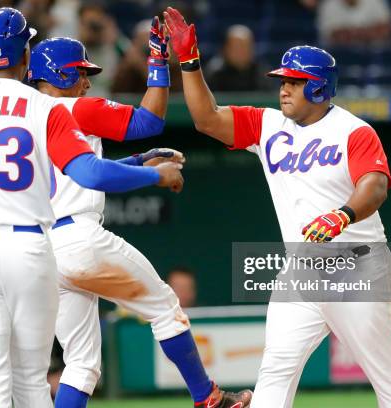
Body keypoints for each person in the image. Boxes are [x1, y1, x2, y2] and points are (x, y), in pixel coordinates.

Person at [0, 7, 183, 408]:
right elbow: (89, 173)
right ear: (25, 55)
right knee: (31, 383)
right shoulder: (45, 107)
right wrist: (154, 176)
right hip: (28, 249)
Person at [163, 7, 391, 408]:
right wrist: (190, 62)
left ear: (318, 88)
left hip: (357, 267)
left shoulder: (353, 130)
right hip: (300, 269)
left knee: (386, 377)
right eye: (282, 81)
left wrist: (343, 214)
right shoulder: (269, 126)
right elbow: (206, 119)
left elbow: (375, 184)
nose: (283, 88)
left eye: (294, 82)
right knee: (276, 369)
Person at [27, 18, 252, 408]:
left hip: (41, 250)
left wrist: (137, 161)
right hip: (79, 238)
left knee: (81, 364)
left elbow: (75, 172)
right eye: (80, 72)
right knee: (165, 307)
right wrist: (157, 58)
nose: (86, 81)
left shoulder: (19, 118)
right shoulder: (74, 107)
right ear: (59, 74)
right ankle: (208, 399)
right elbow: (149, 120)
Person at [206, 25, 269, 92]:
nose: (242, 52)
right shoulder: (215, 74)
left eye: (246, 47)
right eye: (237, 47)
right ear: (225, 49)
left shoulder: (261, 73)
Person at [304, 0, 391, 46]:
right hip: (338, 59)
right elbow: (333, 36)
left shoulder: (375, 2)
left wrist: (352, 33)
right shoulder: (328, 5)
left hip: (373, 58)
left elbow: (385, 29)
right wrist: (367, 32)